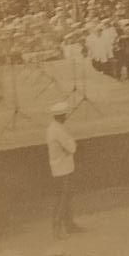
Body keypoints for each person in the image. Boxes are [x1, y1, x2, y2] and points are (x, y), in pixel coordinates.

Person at [45, 101, 84, 237]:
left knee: (64, 197)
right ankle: (58, 226)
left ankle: (69, 224)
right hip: (63, 169)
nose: (66, 117)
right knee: (63, 198)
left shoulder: (51, 128)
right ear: (61, 116)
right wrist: (73, 142)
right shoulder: (59, 130)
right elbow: (72, 148)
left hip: (58, 169)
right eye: (64, 115)